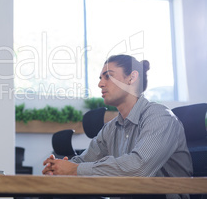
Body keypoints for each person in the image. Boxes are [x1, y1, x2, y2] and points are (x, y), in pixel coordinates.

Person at [42, 54, 193, 198]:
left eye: (108, 76)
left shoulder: (160, 117)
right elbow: (84, 161)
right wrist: (58, 167)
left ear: (132, 78)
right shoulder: (111, 128)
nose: (100, 83)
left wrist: (75, 170)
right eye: (100, 78)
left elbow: (139, 169)